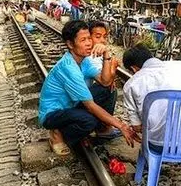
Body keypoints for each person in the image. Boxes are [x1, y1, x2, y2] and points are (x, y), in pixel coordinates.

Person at [39, 20, 137, 154]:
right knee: (89, 121)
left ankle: (101, 129)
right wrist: (121, 125)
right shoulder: (68, 67)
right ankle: (57, 133)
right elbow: (90, 105)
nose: (89, 43)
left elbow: (105, 82)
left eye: (89, 39)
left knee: (108, 90)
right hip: (53, 114)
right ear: (70, 44)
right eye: (83, 40)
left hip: (70, 107)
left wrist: (106, 55)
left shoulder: (84, 61)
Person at [122, 44, 181, 164]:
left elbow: (137, 127)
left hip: (156, 147)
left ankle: (152, 166)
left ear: (134, 68)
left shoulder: (130, 84)